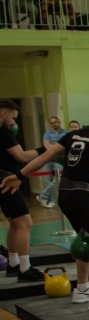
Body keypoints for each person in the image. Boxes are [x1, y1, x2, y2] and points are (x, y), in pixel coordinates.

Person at [6, 104, 89, 308]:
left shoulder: (75, 134)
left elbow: (45, 156)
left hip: (65, 195)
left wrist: (19, 176)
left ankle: (82, 289)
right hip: (83, 196)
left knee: (86, 238)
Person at [0, 99, 43, 281]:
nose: (13, 122)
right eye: (13, 118)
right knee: (25, 224)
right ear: (3, 113)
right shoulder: (3, 132)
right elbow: (22, 156)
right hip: (5, 182)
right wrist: (46, 150)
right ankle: (25, 269)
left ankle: (13, 263)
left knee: (15, 224)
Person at [37, 115, 64, 208]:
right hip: (47, 160)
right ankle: (51, 201)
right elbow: (46, 146)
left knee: (58, 179)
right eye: (52, 123)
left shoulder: (65, 133)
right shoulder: (47, 133)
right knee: (47, 181)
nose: (54, 124)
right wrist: (57, 146)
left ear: (59, 122)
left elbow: (65, 147)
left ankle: (43, 196)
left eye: (55, 122)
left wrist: (53, 145)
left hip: (59, 161)